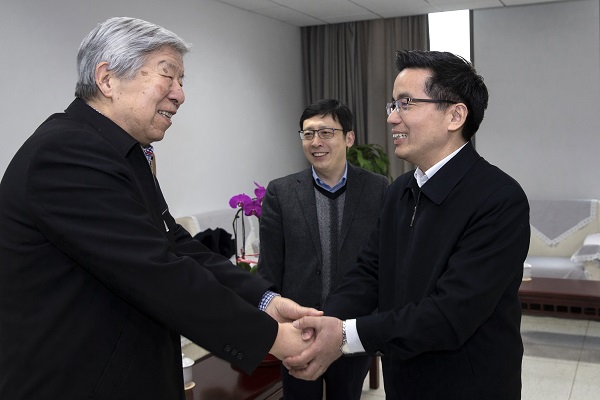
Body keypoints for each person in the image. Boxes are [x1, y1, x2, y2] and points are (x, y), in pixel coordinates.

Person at [0, 17, 320, 400]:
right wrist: (272, 338)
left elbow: (176, 245)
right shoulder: (66, 153)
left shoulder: (122, 152)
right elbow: (157, 271)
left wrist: (264, 302)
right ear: (107, 79)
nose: (180, 94)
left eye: (181, 81)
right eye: (168, 76)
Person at [284, 50, 530, 400]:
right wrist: (325, 323)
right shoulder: (400, 190)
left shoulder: (499, 198)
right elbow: (369, 271)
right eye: (393, 104)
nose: (392, 118)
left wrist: (344, 336)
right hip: (403, 380)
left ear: (455, 115)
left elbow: (450, 314)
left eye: (406, 103)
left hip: (468, 387)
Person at [258, 99, 389, 399]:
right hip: (298, 331)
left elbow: (384, 263)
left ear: (349, 138)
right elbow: (269, 268)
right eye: (308, 134)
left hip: (350, 329)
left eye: (326, 132)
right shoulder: (281, 192)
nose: (316, 142)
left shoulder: (377, 189)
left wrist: (374, 323)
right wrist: (275, 328)